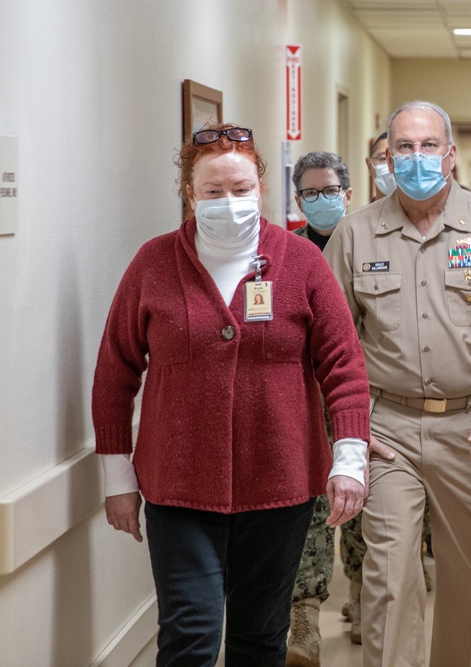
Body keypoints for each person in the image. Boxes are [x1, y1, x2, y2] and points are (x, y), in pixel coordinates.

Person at [92, 123, 372, 665]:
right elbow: (115, 371)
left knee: (260, 635)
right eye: (213, 191)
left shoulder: (302, 262)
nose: (228, 202)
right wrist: (117, 477)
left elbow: (343, 365)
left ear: (261, 188)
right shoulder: (153, 263)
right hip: (177, 486)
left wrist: (350, 458)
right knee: (190, 634)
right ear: (190, 193)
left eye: (240, 190)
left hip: (281, 482)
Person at [325, 100, 471, 667]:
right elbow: (327, 341)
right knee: (389, 573)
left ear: (450, 154)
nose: (417, 157)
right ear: (386, 156)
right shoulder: (355, 234)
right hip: (387, 428)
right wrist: (344, 426)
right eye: (404, 147)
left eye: (429, 146)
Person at [285, 149, 362, 666]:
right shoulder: (284, 255)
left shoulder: (370, 244)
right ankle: (305, 621)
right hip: (306, 402)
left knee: (363, 506)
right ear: (297, 200)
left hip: (364, 400)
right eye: (309, 193)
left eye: (328, 191)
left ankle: (363, 598)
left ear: (347, 194)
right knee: (311, 509)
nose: (320, 200)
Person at [291, 150, 353, 253]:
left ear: (348, 196)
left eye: (330, 190)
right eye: (311, 193)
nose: (321, 198)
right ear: (299, 203)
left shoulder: (364, 240)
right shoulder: (288, 246)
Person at [365, 132, 395, 201]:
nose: (392, 165)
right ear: (369, 165)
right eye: (384, 158)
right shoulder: (364, 212)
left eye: (397, 159)